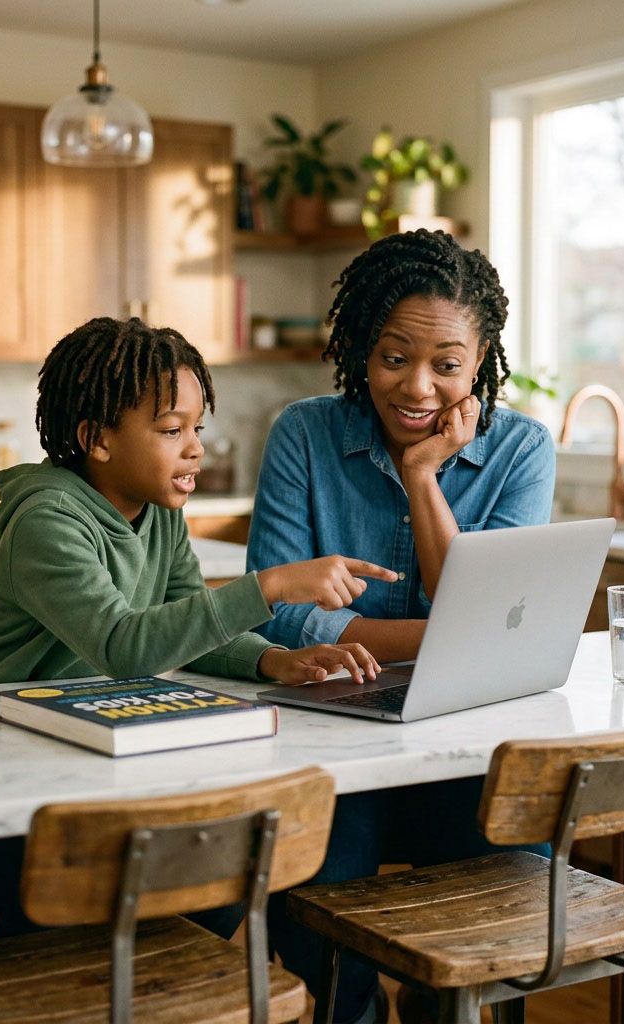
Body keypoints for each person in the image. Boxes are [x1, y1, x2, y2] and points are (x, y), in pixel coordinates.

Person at [0, 315, 396, 937]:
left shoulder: (157, 515)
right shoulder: (47, 522)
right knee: (84, 924)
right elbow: (123, 646)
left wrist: (271, 660)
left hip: (93, 759)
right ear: (97, 438)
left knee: (220, 874)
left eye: (196, 428)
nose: (195, 448)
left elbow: (191, 628)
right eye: (170, 430)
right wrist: (268, 587)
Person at [247, 228, 556, 1024]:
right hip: (328, 752)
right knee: (308, 905)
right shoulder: (304, 436)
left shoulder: (521, 450)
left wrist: (423, 478)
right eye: (394, 356)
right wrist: (458, 636)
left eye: (447, 366)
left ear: (480, 361)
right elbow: (278, 617)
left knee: (498, 912)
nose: (418, 387)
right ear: (359, 346)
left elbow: (489, 627)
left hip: (466, 755)